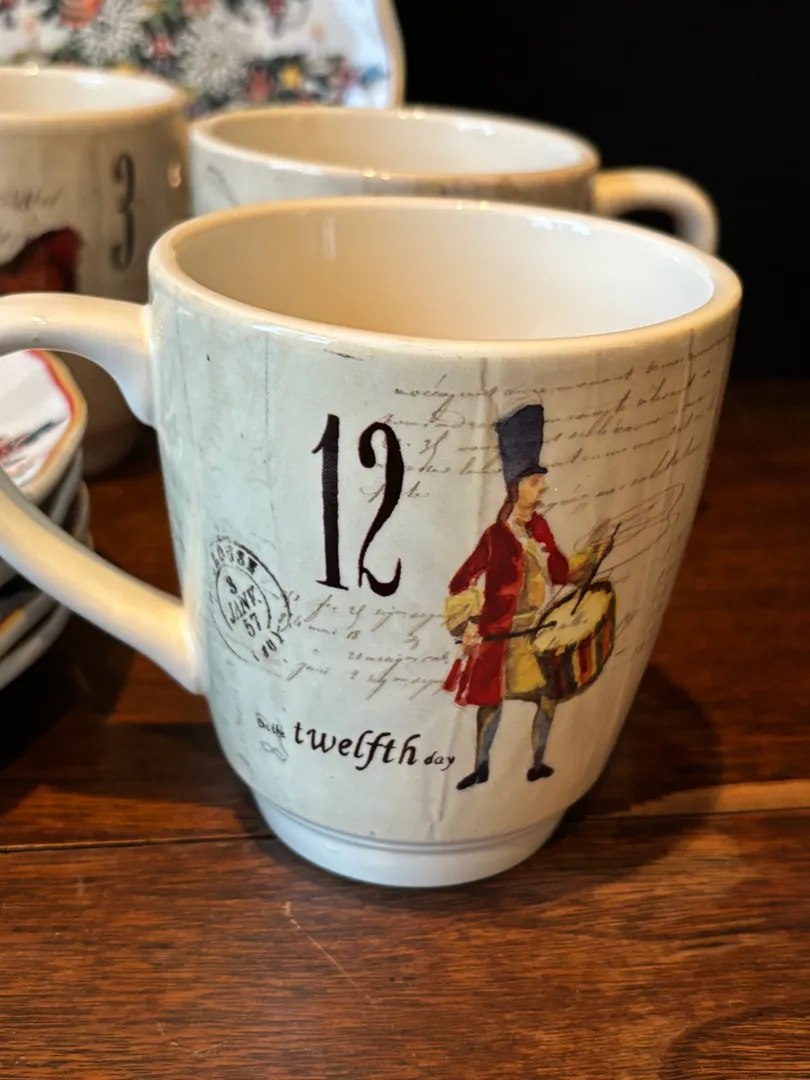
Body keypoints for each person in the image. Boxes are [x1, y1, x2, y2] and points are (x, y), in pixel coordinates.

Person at [443, 403, 605, 790]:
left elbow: (561, 573)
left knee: (548, 697)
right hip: (498, 634)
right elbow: (461, 581)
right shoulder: (495, 537)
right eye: (535, 481)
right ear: (517, 487)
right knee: (490, 704)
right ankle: (481, 766)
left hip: (535, 631)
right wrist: (468, 624)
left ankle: (538, 763)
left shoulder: (541, 528)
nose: (542, 487)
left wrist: (592, 558)